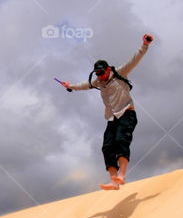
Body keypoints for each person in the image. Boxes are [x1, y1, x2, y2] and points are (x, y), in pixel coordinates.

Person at [60, 34, 153, 190]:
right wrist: (70, 86)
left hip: (127, 112)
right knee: (107, 147)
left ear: (108, 69)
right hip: (111, 118)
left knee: (121, 140)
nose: (100, 76)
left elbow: (134, 60)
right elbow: (85, 85)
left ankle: (122, 176)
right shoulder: (98, 81)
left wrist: (144, 45)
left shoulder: (120, 73)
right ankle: (114, 181)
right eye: (97, 74)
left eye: (102, 73)